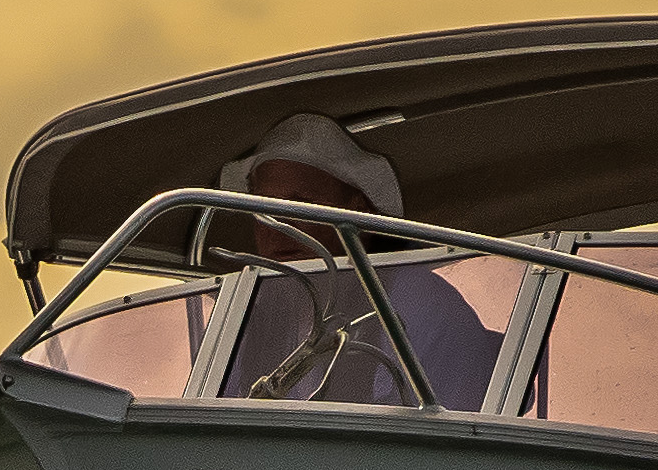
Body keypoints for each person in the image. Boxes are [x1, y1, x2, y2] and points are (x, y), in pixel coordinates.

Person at [200, 114, 503, 414]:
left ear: (358, 213)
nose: (277, 225)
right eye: (263, 207)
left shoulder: (426, 307)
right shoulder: (249, 316)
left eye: (299, 204)